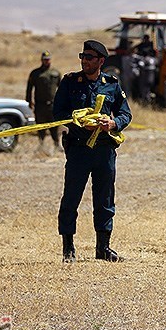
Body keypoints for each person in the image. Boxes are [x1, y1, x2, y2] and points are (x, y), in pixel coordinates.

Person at [53, 40, 132, 263]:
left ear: (100, 61)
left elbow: (126, 114)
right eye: (82, 56)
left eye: (89, 57)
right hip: (79, 150)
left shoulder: (112, 84)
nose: (84, 61)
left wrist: (113, 123)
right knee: (71, 198)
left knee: (105, 199)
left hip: (104, 151)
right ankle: (68, 249)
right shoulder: (70, 82)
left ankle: (103, 248)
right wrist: (80, 123)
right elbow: (57, 113)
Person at [25, 50, 62, 149]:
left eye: (48, 59)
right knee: (40, 126)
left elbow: (62, 88)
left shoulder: (56, 73)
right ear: (41, 60)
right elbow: (29, 88)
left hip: (53, 105)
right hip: (40, 105)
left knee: (55, 126)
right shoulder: (35, 73)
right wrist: (29, 100)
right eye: (45, 60)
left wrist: (63, 101)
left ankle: (57, 144)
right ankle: (41, 145)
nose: (47, 61)